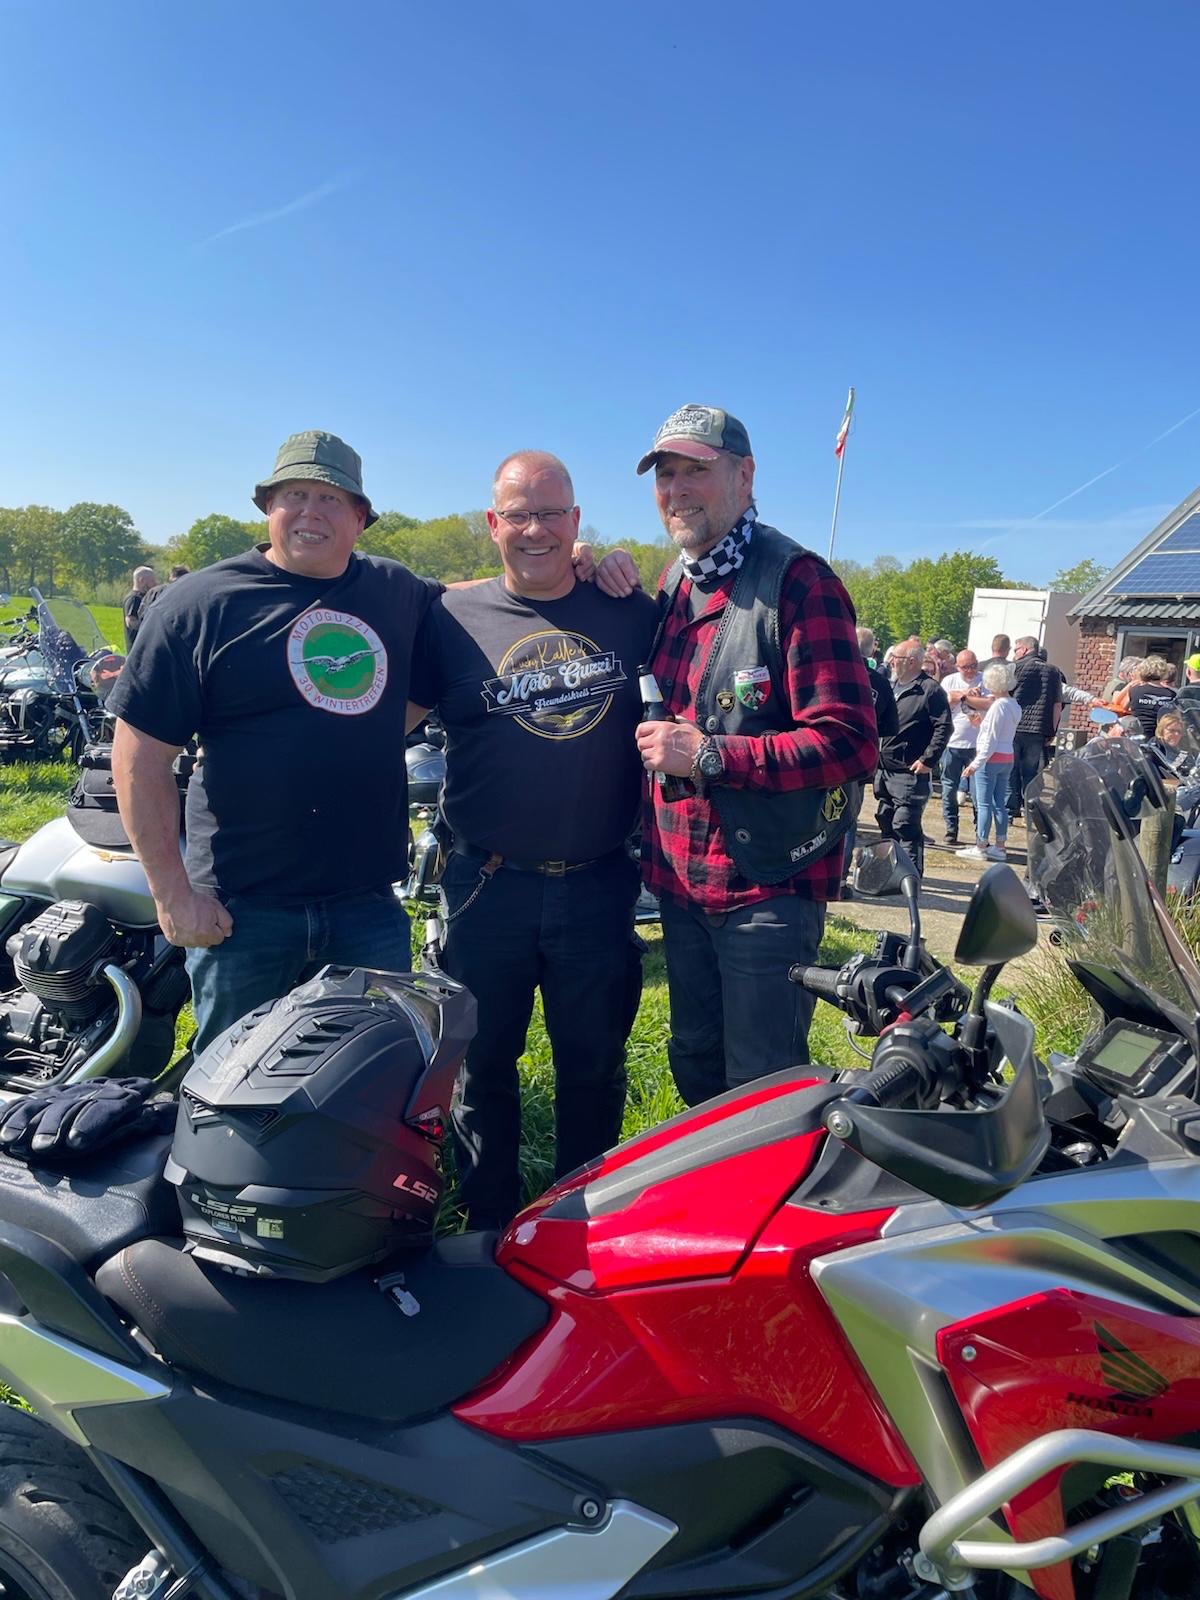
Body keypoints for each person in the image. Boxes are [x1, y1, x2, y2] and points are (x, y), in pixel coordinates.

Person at [108, 430, 432, 1056]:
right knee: (232, 1081)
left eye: (330, 498)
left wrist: (575, 562)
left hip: (366, 904)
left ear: (360, 518)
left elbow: (481, 598)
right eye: (295, 495)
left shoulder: (395, 590)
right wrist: (173, 897)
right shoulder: (198, 605)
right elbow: (139, 758)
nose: (311, 512)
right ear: (267, 507)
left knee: (364, 1076)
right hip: (242, 910)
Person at [408, 452, 657, 1230]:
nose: (535, 530)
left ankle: (574, 1226)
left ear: (577, 522)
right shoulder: (449, 620)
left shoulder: (630, 612)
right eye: (518, 514)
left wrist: (614, 565)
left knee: (594, 1066)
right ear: (493, 524)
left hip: (598, 882)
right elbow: (385, 719)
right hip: (487, 883)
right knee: (482, 1068)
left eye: (552, 514)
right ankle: (488, 1228)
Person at [629, 404, 877, 1105]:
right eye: (665, 474)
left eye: (696, 471)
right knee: (695, 1067)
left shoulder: (799, 582)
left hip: (767, 885)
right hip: (679, 881)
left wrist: (712, 755)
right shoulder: (676, 584)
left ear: (745, 476)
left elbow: (851, 741)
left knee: (761, 1092)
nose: (677, 489)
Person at [874, 643, 952, 875]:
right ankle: (888, 875)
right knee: (886, 820)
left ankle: (910, 877)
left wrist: (928, 760)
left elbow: (944, 727)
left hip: (909, 772)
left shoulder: (930, 690)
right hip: (885, 768)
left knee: (905, 825)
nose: (891, 661)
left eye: (895, 657)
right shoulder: (892, 685)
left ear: (911, 661)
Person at [843, 633, 898, 892]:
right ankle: (839, 879)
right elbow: (890, 727)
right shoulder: (879, 682)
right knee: (847, 819)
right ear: (872, 651)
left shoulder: (832, 671)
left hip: (823, 755)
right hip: (859, 758)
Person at [958, 665, 1020, 862]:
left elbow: (990, 738)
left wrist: (975, 764)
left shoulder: (998, 706)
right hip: (1007, 756)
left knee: (984, 803)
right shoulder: (1013, 704)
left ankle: (981, 845)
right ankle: (1000, 846)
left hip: (990, 758)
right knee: (999, 803)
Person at [1004, 635, 1063, 819]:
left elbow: (1004, 696)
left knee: (1011, 769)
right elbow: (1057, 705)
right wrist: (1052, 730)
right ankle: (1029, 809)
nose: (1014, 653)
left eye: (1016, 649)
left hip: (1014, 726)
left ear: (1025, 649)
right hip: (1038, 729)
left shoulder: (1015, 667)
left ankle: (1010, 809)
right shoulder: (1054, 671)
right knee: (1030, 773)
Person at [939, 649, 987, 845]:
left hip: (978, 745)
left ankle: (980, 833)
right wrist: (964, 694)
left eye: (974, 665)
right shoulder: (949, 681)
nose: (971, 670)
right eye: (966, 667)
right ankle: (951, 828)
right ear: (957, 667)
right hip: (953, 742)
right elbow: (944, 704)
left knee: (978, 792)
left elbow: (991, 703)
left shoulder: (984, 680)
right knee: (949, 789)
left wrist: (968, 698)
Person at [1125, 655, 1177, 737]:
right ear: (1164, 672)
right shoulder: (1172, 695)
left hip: (1136, 734)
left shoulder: (1134, 690)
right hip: (1160, 737)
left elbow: (1125, 708)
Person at [121, 566, 157, 650]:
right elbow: (130, 621)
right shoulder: (134, 598)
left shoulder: (145, 597)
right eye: (152, 581)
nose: (155, 583)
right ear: (142, 580)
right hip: (137, 648)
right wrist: (150, 627)